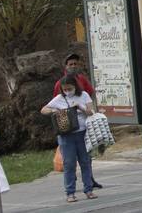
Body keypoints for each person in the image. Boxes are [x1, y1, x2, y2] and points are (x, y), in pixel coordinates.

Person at [40, 74, 96, 202]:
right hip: (66, 135)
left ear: (75, 86)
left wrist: (80, 108)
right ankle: (70, 193)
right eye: (65, 89)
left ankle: (89, 190)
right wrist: (55, 111)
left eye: (70, 88)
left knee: (86, 162)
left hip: (83, 133)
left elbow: (91, 112)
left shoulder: (84, 95)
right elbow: (43, 110)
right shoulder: (59, 98)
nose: (67, 92)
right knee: (69, 164)